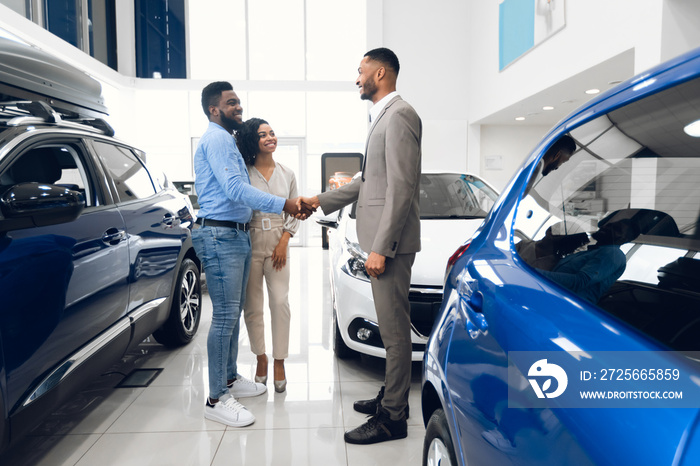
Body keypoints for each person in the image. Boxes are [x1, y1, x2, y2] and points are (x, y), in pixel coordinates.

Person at [299, 47, 421, 445]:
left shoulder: (400, 115)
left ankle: (393, 418)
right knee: (390, 330)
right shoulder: (382, 117)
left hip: (391, 245)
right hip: (380, 240)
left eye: (361, 71)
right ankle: (391, 395)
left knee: (395, 333)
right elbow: (367, 183)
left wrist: (381, 248)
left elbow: (401, 190)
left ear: (381, 72)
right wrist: (318, 201)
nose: (357, 79)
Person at [192, 82, 311, 428]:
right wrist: (285, 204)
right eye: (231, 103)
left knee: (237, 314)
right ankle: (216, 398)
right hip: (221, 235)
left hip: (235, 235)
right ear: (214, 109)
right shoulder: (216, 139)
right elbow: (234, 189)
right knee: (228, 316)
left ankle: (229, 378)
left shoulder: (227, 141)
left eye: (239, 101)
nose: (238, 107)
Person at [236, 118, 299, 394]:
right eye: (263, 135)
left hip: (278, 240)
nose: (270, 137)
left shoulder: (288, 173)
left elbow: (295, 210)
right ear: (253, 140)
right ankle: (260, 357)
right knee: (252, 305)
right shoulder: (244, 173)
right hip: (249, 239)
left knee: (280, 302)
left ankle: (279, 361)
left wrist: (285, 239)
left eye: (272, 133)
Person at [538, 218, 641, 303]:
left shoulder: (613, 254)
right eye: (609, 225)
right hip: (555, 298)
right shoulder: (592, 251)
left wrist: (537, 274)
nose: (606, 227)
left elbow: (580, 281)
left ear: (624, 239)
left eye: (616, 229)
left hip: (566, 305)